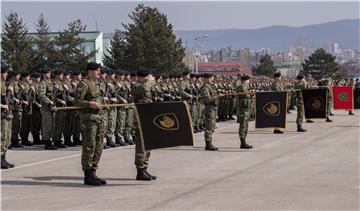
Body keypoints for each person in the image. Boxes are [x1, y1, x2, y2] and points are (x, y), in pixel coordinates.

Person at [74, 62, 107, 186]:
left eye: (99, 70)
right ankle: (87, 175)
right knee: (90, 146)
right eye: (97, 70)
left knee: (99, 146)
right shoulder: (84, 84)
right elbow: (76, 102)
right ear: (90, 71)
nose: (99, 72)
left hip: (99, 119)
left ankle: (93, 171)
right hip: (89, 120)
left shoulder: (98, 83)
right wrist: (89, 104)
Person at [132, 68, 157, 180]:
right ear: (141, 77)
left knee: (148, 143)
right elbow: (145, 89)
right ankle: (140, 170)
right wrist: (151, 81)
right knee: (141, 144)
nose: (148, 79)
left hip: (148, 117)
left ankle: (145, 168)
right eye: (146, 77)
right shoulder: (136, 86)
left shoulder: (147, 84)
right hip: (140, 118)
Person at [199, 73, 219, 151]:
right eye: (211, 78)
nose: (212, 80)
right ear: (207, 79)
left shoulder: (211, 87)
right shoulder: (205, 88)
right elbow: (207, 99)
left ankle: (209, 143)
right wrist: (217, 97)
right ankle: (208, 144)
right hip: (209, 108)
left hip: (214, 108)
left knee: (212, 126)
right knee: (209, 126)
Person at [1, 66, 15, 169]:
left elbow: (10, 100)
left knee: (7, 138)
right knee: (2, 137)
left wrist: (10, 91)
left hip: (7, 115)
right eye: (5, 73)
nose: (6, 75)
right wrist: (2, 106)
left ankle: (3, 158)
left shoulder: (5, 85)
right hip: (1, 115)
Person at [236, 75, 253, 149]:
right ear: (245, 80)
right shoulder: (242, 87)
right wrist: (251, 94)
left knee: (245, 125)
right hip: (243, 109)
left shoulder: (246, 87)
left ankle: (244, 141)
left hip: (246, 109)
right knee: (243, 125)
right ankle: (242, 142)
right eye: (248, 80)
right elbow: (247, 95)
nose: (249, 82)